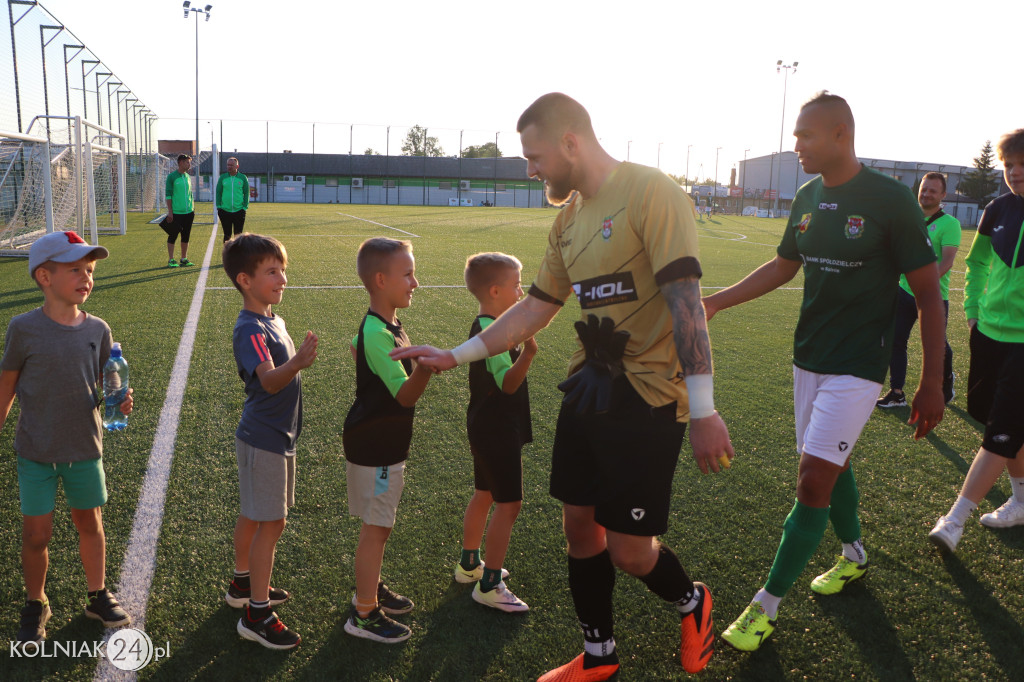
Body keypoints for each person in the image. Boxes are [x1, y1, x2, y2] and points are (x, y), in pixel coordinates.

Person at [392, 92, 734, 680]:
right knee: (579, 528)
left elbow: (686, 304)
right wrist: (457, 353)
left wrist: (703, 409)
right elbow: (536, 307)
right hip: (587, 391)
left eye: (536, 157)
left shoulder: (652, 192)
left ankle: (691, 602)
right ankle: (599, 657)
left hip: (649, 399)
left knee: (629, 551)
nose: (531, 170)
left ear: (571, 143)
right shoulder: (568, 218)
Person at [703, 91, 945, 652]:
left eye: (806, 136)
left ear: (841, 133)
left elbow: (930, 297)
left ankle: (766, 605)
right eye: (795, 136)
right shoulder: (808, 196)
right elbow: (784, 265)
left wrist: (930, 381)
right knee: (832, 465)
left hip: (859, 365)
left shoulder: (890, 200)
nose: (796, 147)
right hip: (808, 356)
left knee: (813, 478)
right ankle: (855, 555)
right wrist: (716, 303)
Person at [0, 231, 134, 644]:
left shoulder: (98, 329)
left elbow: (105, 382)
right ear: (44, 276)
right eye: (74, 268)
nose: (86, 277)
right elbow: (5, 390)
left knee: (90, 523)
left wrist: (119, 400)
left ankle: (97, 595)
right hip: (36, 452)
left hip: (83, 448)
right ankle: (36, 601)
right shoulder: (23, 328)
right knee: (36, 534)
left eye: (89, 269)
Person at [929, 129, 1024, 551]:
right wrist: (972, 313)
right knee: (999, 422)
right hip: (988, 336)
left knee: (1000, 432)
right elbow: (978, 263)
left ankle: (955, 520)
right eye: (1009, 166)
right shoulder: (997, 208)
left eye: (1023, 165)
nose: (1016, 173)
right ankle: (1021, 501)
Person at [222, 234, 318, 650]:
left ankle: (242, 584)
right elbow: (270, 380)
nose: (281, 278)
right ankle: (256, 614)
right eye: (271, 272)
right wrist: (297, 362)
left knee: (255, 515)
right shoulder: (250, 328)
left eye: (283, 270)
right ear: (245, 280)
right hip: (264, 438)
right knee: (271, 522)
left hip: (274, 436)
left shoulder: (271, 319)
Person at [343, 237, 433, 644]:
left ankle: (370, 585)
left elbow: (371, 357)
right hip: (377, 446)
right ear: (381, 280)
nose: (416, 282)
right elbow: (405, 394)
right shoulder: (379, 331)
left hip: (382, 443)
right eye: (408, 274)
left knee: (380, 526)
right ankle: (363, 612)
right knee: (376, 528)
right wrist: (427, 368)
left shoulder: (385, 325)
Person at [455, 252, 537, 613]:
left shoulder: (487, 324)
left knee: (484, 493)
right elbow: (506, 383)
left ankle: (469, 564)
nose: (521, 292)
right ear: (494, 290)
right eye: (516, 285)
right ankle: (489, 584)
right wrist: (529, 353)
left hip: (484, 425)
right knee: (509, 503)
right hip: (497, 430)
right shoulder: (495, 331)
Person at [877, 171, 961, 407]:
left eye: (933, 190)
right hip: (904, 292)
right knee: (896, 340)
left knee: (938, 347)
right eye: (924, 189)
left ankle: (946, 381)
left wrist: (924, 282)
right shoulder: (908, 218)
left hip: (933, 296)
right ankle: (897, 393)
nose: (926, 194)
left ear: (943, 195)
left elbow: (947, 262)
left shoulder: (950, 224)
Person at [161, 154, 195, 268]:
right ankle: (171, 260)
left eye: (189, 162)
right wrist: (170, 212)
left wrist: (192, 208)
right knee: (173, 235)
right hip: (176, 213)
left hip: (189, 212)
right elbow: (168, 195)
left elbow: (190, 194)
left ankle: (184, 258)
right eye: (187, 162)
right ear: (180, 162)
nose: (189, 164)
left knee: (186, 236)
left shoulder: (188, 177)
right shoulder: (172, 177)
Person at [217, 157, 250, 243]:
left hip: (239, 211)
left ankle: (237, 256)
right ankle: (227, 255)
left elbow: (246, 193)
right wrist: (219, 206)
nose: (229, 167)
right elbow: (218, 192)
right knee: (227, 235)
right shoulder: (223, 177)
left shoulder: (243, 178)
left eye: (231, 165)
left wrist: (244, 207)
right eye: (228, 165)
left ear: (237, 166)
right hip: (224, 211)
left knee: (238, 236)